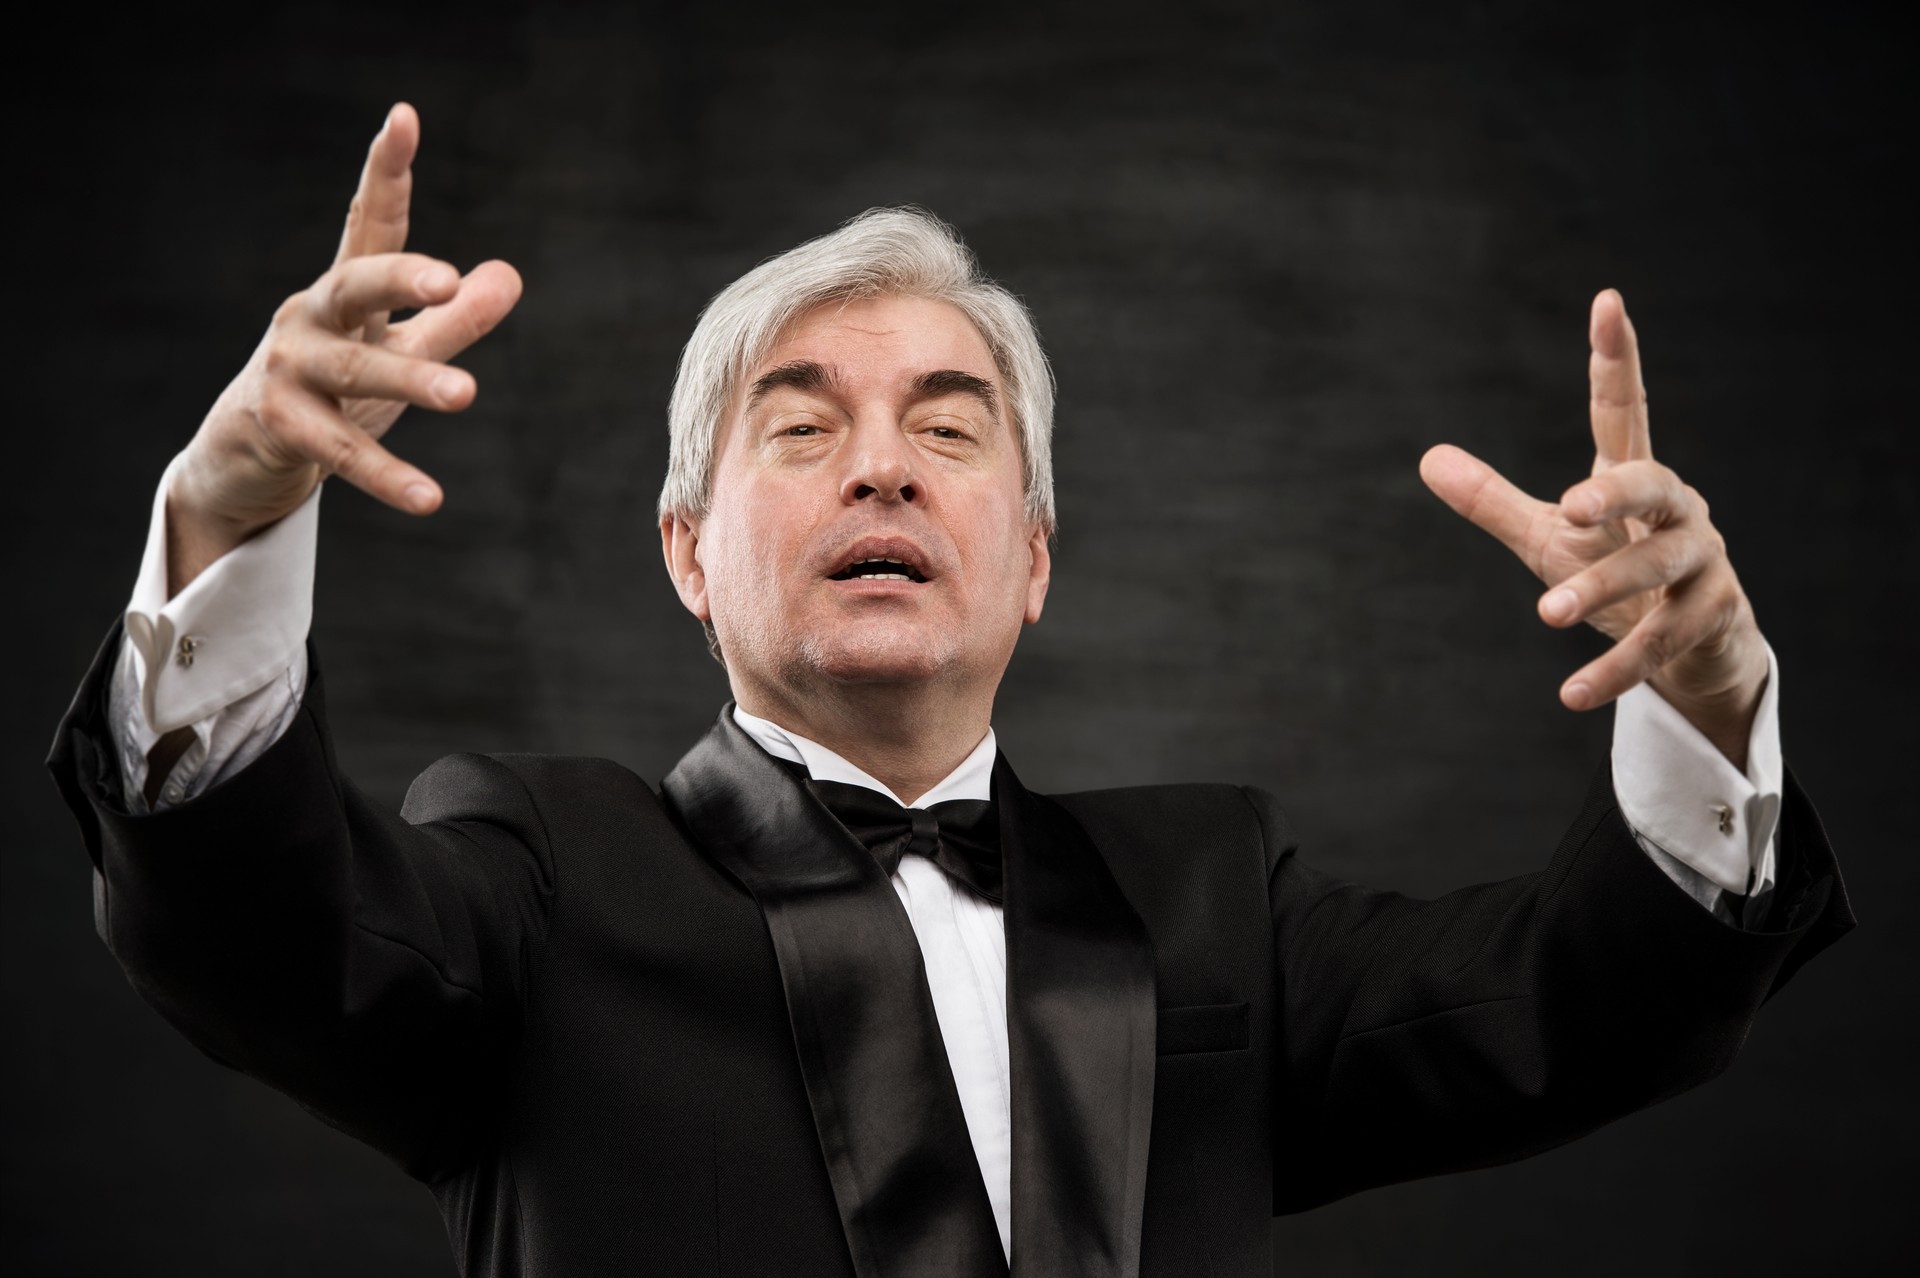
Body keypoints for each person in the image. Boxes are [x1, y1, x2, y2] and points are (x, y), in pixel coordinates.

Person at [49, 104, 1850, 1278]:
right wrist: (227, 524)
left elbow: (1593, 1003)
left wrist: (1703, 690)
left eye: (948, 427)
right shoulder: (528, 873)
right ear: (689, 550)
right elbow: (248, 930)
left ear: (1038, 555)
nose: (883, 470)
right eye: (806, 425)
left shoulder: (1211, 902)